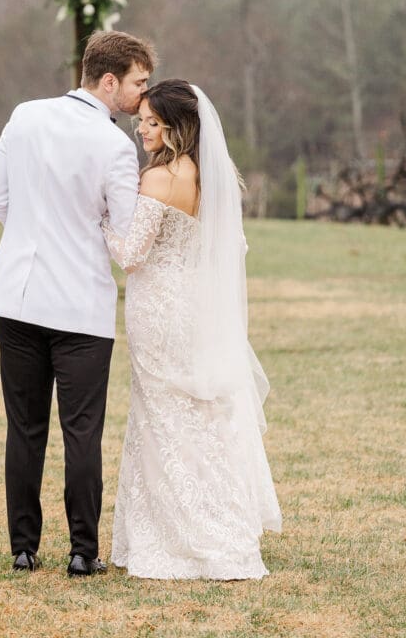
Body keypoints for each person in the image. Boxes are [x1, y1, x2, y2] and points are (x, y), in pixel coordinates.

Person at [0, 31, 156, 577]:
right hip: (80, 304)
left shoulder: (24, 115)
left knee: (24, 427)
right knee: (82, 430)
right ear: (108, 81)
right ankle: (83, 552)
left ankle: (23, 549)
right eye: (137, 83)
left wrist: (35, 228)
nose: (142, 96)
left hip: (18, 296)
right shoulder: (113, 145)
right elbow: (125, 231)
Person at [102, 79, 282, 580]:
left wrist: (99, 222)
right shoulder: (214, 177)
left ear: (177, 127)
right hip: (198, 310)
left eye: (152, 123)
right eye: (141, 121)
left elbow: (131, 256)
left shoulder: (158, 180)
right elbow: (235, 250)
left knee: (161, 418)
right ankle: (225, 527)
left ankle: (178, 537)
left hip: (158, 312)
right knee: (202, 417)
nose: (142, 130)